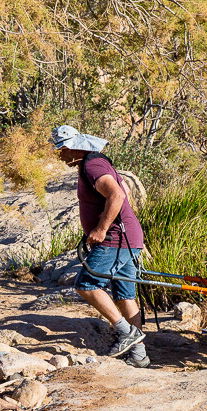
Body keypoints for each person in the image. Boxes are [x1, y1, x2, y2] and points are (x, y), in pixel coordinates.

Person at [51, 125, 150, 367]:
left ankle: (126, 333)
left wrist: (101, 229)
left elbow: (117, 195)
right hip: (127, 237)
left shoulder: (92, 165)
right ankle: (139, 356)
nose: (59, 155)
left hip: (116, 238)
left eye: (61, 150)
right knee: (125, 295)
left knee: (85, 284)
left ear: (72, 148)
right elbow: (122, 190)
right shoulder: (95, 164)